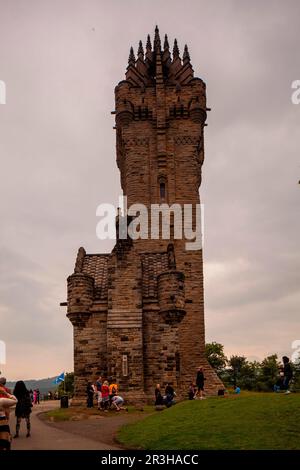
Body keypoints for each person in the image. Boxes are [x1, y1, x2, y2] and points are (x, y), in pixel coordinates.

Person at [0, 382, 17, 450]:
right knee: (4, 443)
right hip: (2, 424)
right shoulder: (1, 401)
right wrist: (6, 393)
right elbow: (15, 400)